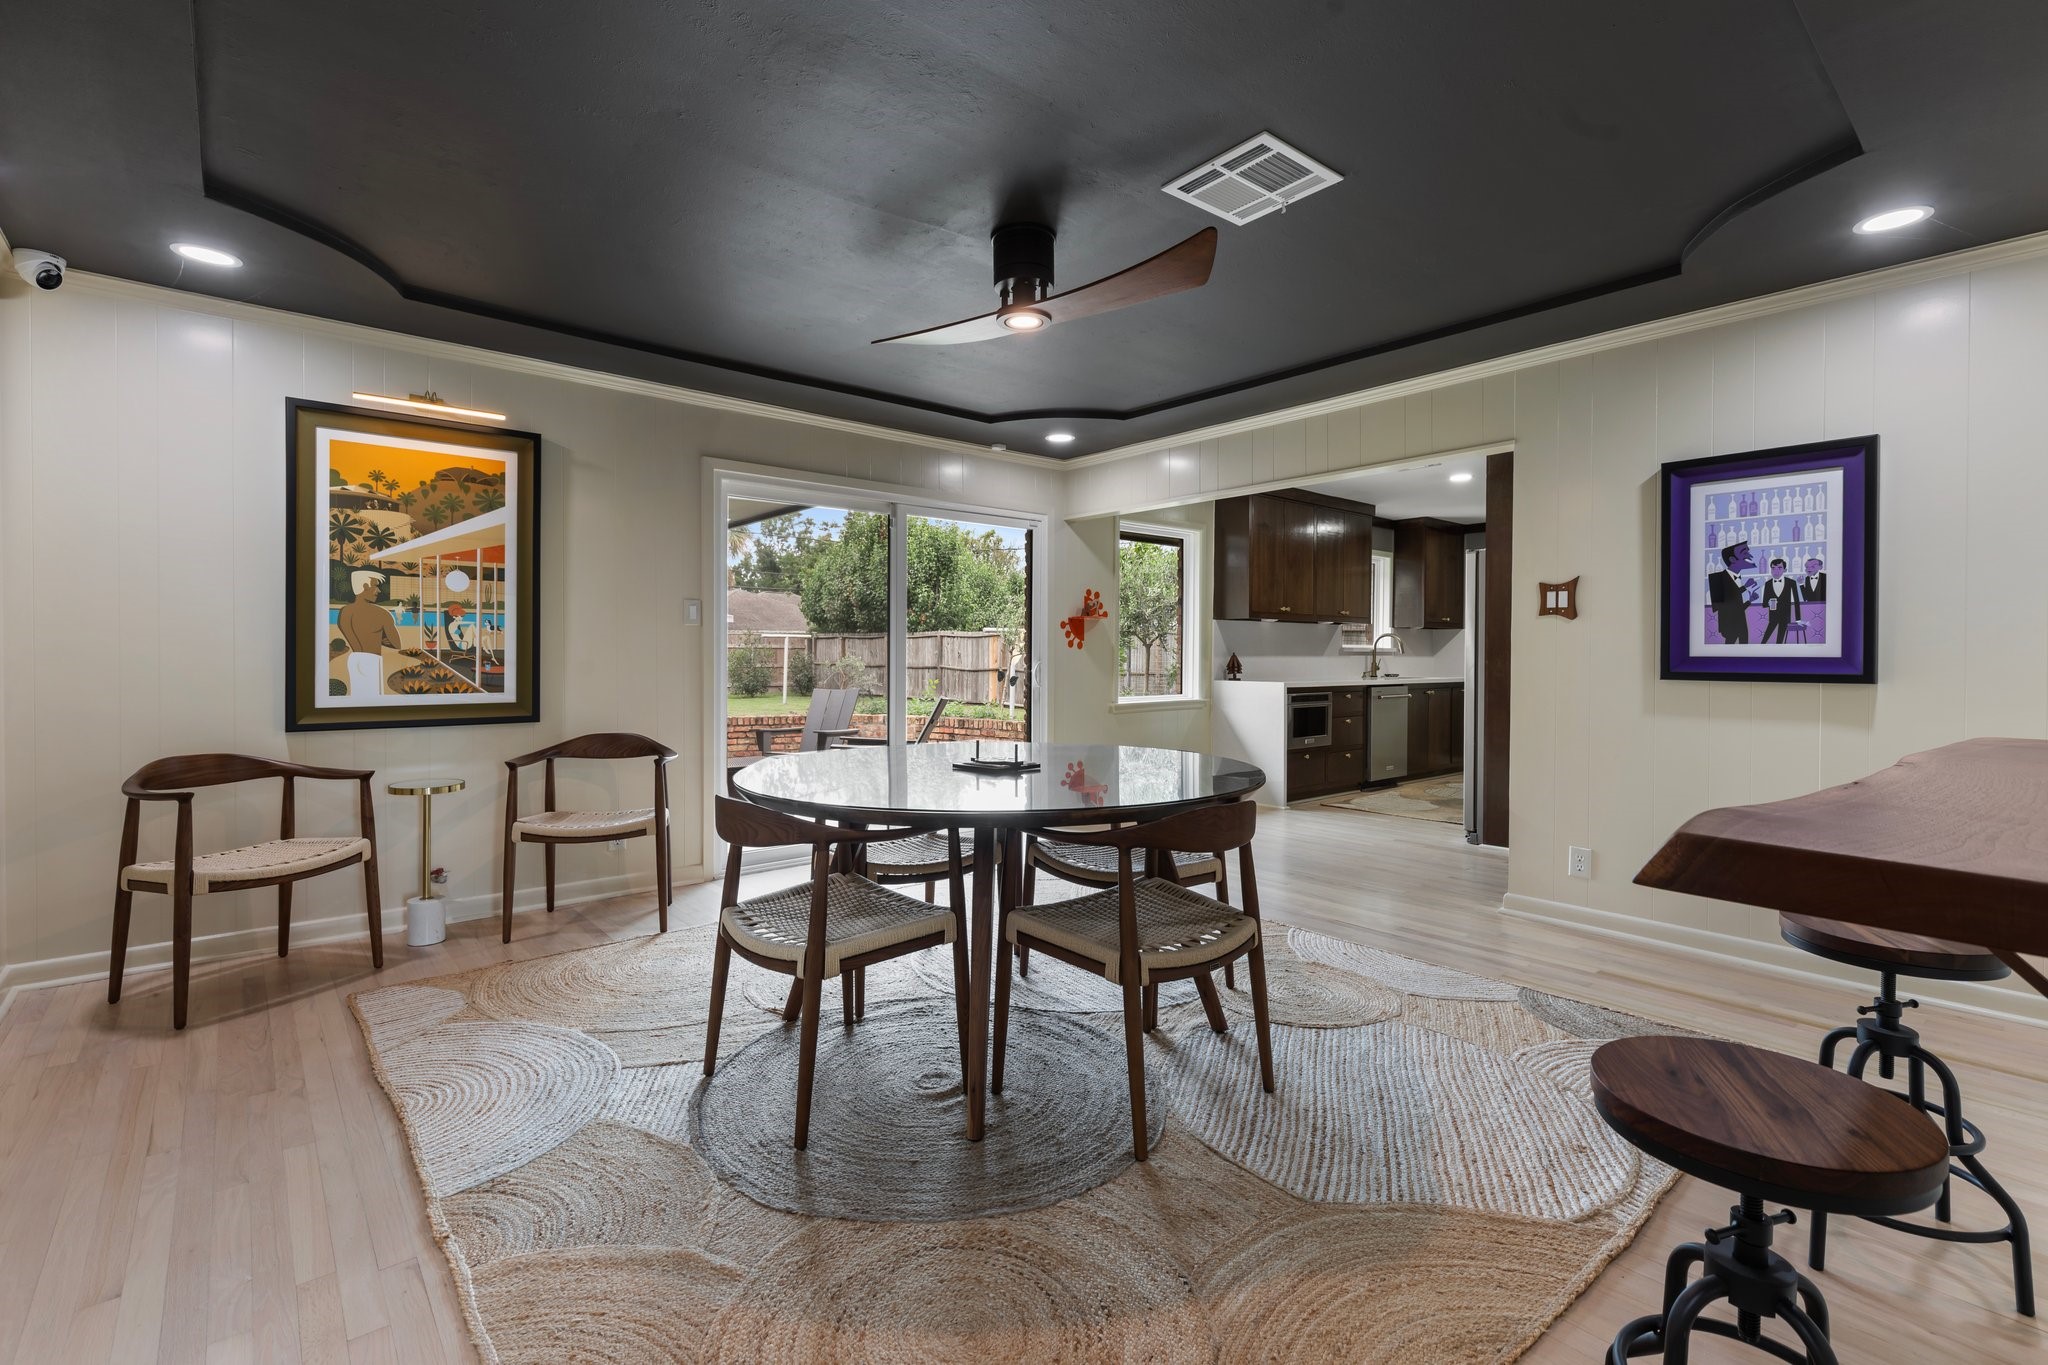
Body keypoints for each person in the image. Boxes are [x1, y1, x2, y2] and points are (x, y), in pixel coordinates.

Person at [337, 570, 401, 696]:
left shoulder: (345, 612)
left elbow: (349, 634)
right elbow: (397, 644)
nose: (379, 591)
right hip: (372, 660)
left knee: (358, 697)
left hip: (354, 659)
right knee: (374, 699)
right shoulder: (382, 614)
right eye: (376, 586)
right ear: (365, 587)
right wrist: (380, 639)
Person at [1707, 540, 1758, 645]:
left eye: (1748, 551)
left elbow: (1737, 608)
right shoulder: (1717, 579)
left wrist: (1750, 600)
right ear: (1732, 559)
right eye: (1744, 553)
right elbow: (1726, 606)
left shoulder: (1739, 578)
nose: (1750, 555)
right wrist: (1745, 588)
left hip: (1742, 624)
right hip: (1729, 626)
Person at [1760, 557, 1802, 645]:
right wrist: (1768, 603)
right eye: (1773, 568)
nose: (1776, 571)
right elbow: (1764, 604)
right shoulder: (1767, 584)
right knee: (1764, 640)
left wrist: (1798, 620)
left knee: (1780, 641)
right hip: (1773, 617)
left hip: (1785, 617)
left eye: (1779, 568)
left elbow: (1797, 602)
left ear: (1785, 570)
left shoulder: (1791, 583)